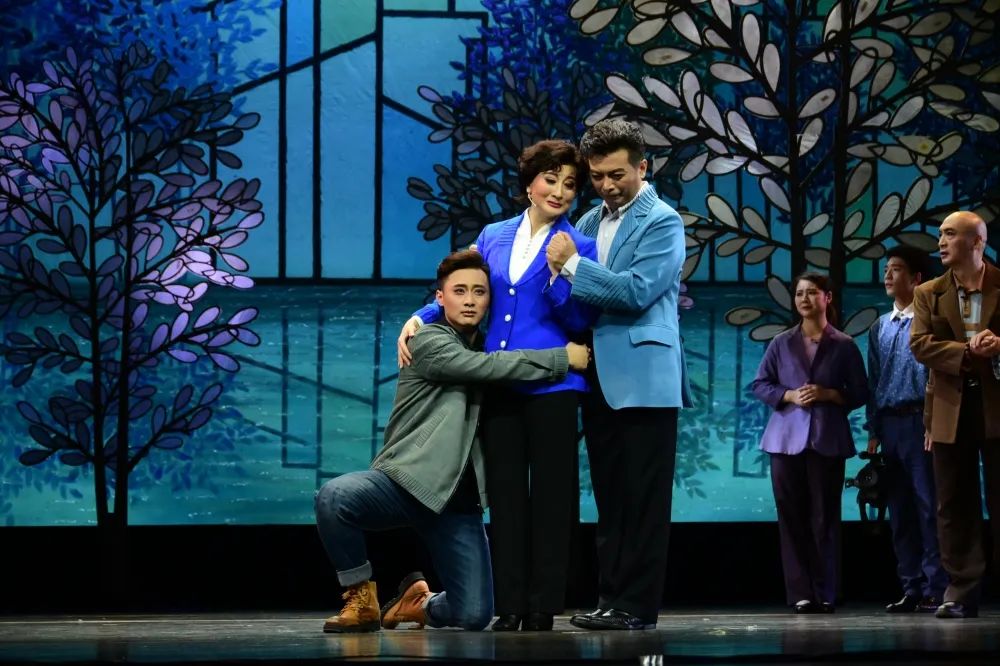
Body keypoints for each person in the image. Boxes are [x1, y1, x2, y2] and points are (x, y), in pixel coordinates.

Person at [316, 249, 590, 633]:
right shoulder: (429, 341)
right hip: (406, 482)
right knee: (334, 498)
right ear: (440, 298)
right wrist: (562, 358)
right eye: (459, 291)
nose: (470, 300)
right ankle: (361, 598)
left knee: (473, 615)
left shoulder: (489, 343)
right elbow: (487, 367)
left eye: (479, 292)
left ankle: (419, 603)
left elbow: (498, 359)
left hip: (456, 504)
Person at [397, 139, 598, 632]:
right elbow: (464, 286)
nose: (559, 191)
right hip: (500, 385)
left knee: (552, 499)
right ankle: (509, 605)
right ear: (530, 184)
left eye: (570, 184)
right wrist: (422, 316)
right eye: (550, 179)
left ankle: (543, 606)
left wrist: (562, 271)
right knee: (504, 497)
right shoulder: (494, 235)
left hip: (555, 385)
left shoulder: (580, 245)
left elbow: (579, 320)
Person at [544, 118, 691, 630]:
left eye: (616, 174)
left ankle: (637, 606)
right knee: (610, 497)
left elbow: (635, 291)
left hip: (645, 377)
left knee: (644, 500)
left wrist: (571, 267)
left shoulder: (663, 221)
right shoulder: (588, 221)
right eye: (597, 176)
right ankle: (610, 599)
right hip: (597, 377)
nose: (606, 185)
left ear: (642, 167)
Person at [751, 273, 868, 614]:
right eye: (799, 293)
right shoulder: (781, 342)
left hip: (826, 439)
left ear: (827, 298)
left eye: (812, 292)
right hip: (784, 441)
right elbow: (760, 384)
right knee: (791, 518)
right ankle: (800, 593)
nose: (804, 298)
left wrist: (829, 394)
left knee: (824, 517)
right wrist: (788, 395)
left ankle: (826, 590)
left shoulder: (844, 344)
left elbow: (859, 392)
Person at [910, 210, 1000, 620]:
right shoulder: (928, 292)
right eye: (940, 234)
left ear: (977, 241)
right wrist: (967, 351)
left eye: (949, 234)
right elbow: (920, 345)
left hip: (995, 404)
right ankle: (961, 591)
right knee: (953, 503)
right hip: (950, 408)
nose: (941, 242)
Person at [865, 245, 947, 613]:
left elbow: (938, 375)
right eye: (886, 269)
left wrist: (933, 421)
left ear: (916, 279)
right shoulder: (880, 326)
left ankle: (936, 586)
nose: (888, 275)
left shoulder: (931, 321)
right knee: (899, 512)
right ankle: (910, 585)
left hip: (920, 423)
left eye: (896, 269)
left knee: (928, 506)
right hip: (890, 424)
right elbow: (874, 379)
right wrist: (873, 429)